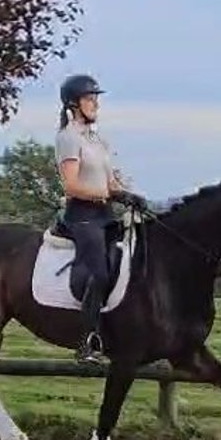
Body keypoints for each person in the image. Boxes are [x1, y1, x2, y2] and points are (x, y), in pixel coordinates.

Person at [54, 73, 148, 364]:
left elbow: (109, 183)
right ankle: (87, 341)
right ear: (74, 104)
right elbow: (70, 185)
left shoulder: (97, 140)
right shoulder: (68, 138)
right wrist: (100, 194)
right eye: (89, 99)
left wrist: (127, 196)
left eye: (96, 99)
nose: (95, 104)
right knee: (100, 273)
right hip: (82, 218)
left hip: (105, 215)